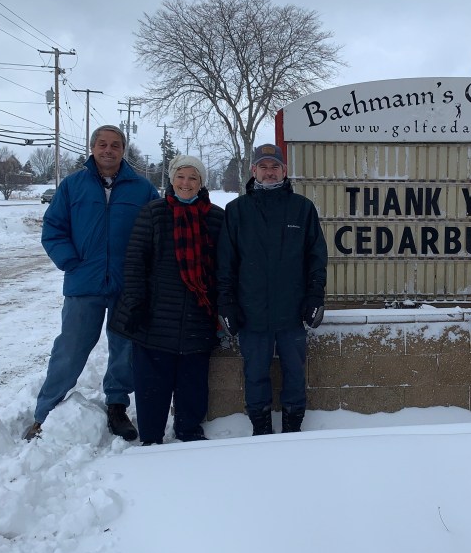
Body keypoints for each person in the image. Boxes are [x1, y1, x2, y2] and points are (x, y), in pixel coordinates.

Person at [25, 125, 160, 440]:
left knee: (125, 349)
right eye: (102, 144)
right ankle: (45, 412)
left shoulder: (142, 189)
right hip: (84, 285)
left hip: (128, 286)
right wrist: (72, 262)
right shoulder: (73, 186)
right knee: (70, 349)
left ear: (123, 150)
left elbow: (157, 233)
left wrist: (145, 272)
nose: (108, 150)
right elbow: (53, 228)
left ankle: (116, 404)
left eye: (115, 145)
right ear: (92, 148)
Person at [108, 156, 225, 445]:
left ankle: (188, 431)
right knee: (152, 384)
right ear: (172, 180)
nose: (186, 183)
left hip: (199, 314)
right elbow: (135, 262)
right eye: (181, 177)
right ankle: (151, 437)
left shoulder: (216, 217)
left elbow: (225, 267)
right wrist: (135, 303)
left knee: (192, 383)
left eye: (193, 178)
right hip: (155, 317)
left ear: (202, 182)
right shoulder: (154, 213)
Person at [217, 143, 328, 435]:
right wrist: (226, 304)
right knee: (255, 375)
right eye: (263, 166)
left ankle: (293, 430)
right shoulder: (236, 210)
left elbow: (316, 258)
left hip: (292, 313)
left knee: (294, 375)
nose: (269, 172)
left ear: (284, 171)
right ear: (253, 171)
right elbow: (225, 264)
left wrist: (315, 297)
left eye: (274, 166)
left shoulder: (302, 209)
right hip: (251, 313)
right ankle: (261, 431)